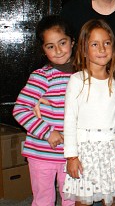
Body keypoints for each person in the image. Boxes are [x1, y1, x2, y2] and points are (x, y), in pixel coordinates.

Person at [63, 19, 115, 206]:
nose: (102, 49)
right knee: (84, 200)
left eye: (106, 43)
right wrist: (72, 156)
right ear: (84, 49)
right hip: (86, 151)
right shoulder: (78, 80)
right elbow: (69, 120)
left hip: (110, 150)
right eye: (95, 44)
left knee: (110, 199)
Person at [12, 15, 75, 206]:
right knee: (43, 200)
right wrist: (47, 132)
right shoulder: (42, 76)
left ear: (72, 42)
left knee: (71, 199)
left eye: (62, 43)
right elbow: (20, 109)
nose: (57, 50)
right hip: (41, 153)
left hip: (71, 154)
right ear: (43, 50)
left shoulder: (84, 75)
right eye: (50, 46)